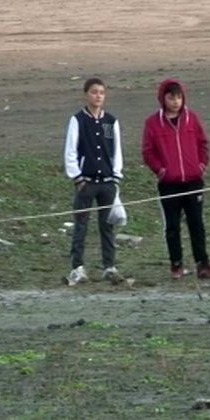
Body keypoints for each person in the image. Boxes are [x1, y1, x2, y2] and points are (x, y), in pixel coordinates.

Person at [141, 78, 210, 280]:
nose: (175, 101)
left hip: (193, 181)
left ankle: (203, 263)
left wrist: (201, 166)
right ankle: (176, 264)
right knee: (172, 226)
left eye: (178, 97)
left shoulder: (191, 118)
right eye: (171, 97)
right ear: (163, 98)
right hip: (169, 183)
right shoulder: (153, 123)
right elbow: (148, 152)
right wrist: (161, 171)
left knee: (196, 223)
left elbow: (203, 144)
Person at [63, 78, 122, 285]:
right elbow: (71, 150)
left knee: (107, 226)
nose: (98, 96)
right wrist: (77, 177)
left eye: (101, 92)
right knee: (81, 225)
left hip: (107, 182)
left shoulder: (111, 121)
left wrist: (115, 176)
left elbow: (116, 151)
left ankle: (109, 266)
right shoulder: (78, 120)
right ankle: (77, 267)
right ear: (86, 94)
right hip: (86, 182)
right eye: (94, 92)